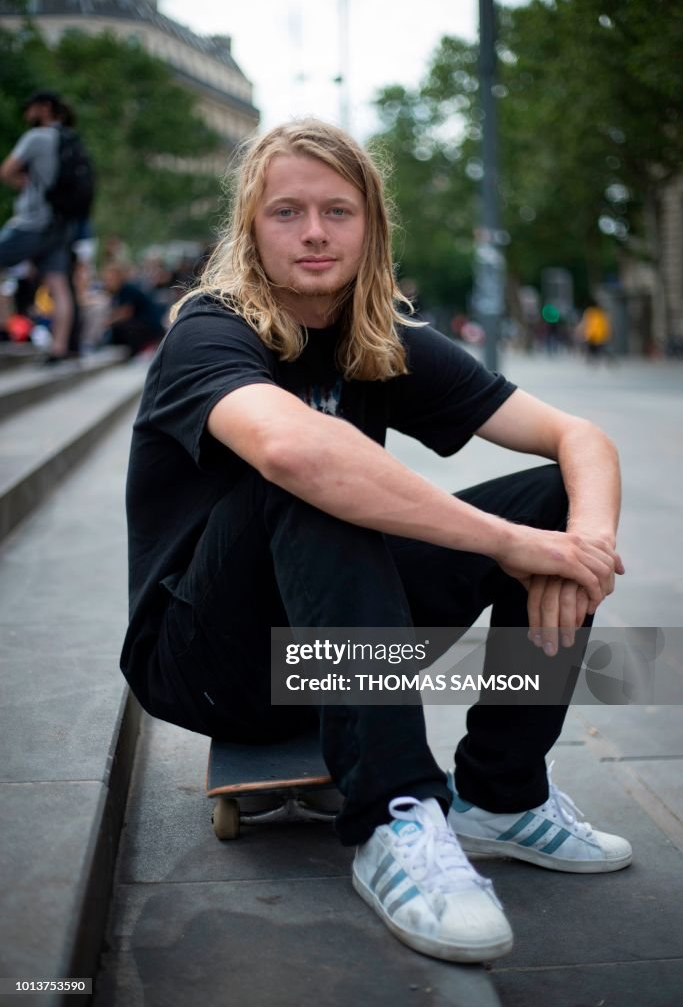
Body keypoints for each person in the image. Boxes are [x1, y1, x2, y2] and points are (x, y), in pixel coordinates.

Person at [120, 120, 629, 964]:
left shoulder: (380, 341)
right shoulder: (208, 332)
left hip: (336, 644)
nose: (314, 232)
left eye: (336, 211)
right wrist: (507, 544)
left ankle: (501, 794)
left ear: (371, 228)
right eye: (286, 212)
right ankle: (395, 815)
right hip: (205, 663)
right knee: (316, 474)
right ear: (250, 228)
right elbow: (292, 451)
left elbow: (581, 437)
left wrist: (581, 547)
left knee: (554, 499)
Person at [0, 89, 75, 362]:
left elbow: (6, 170)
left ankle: (5, 330)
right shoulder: (70, 139)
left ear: (44, 108)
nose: (26, 114)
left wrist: (23, 184)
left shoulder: (36, 137)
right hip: (60, 226)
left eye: (30, 108)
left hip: (31, 221)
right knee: (58, 286)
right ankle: (59, 347)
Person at [101, 262, 166, 358]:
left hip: (149, 326)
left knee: (122, 327)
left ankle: (140, 350)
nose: (108, 282)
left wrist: (107, 322)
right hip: (143, 324)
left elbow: (126, 313)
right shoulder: (118, 292)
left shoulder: (127, 289)